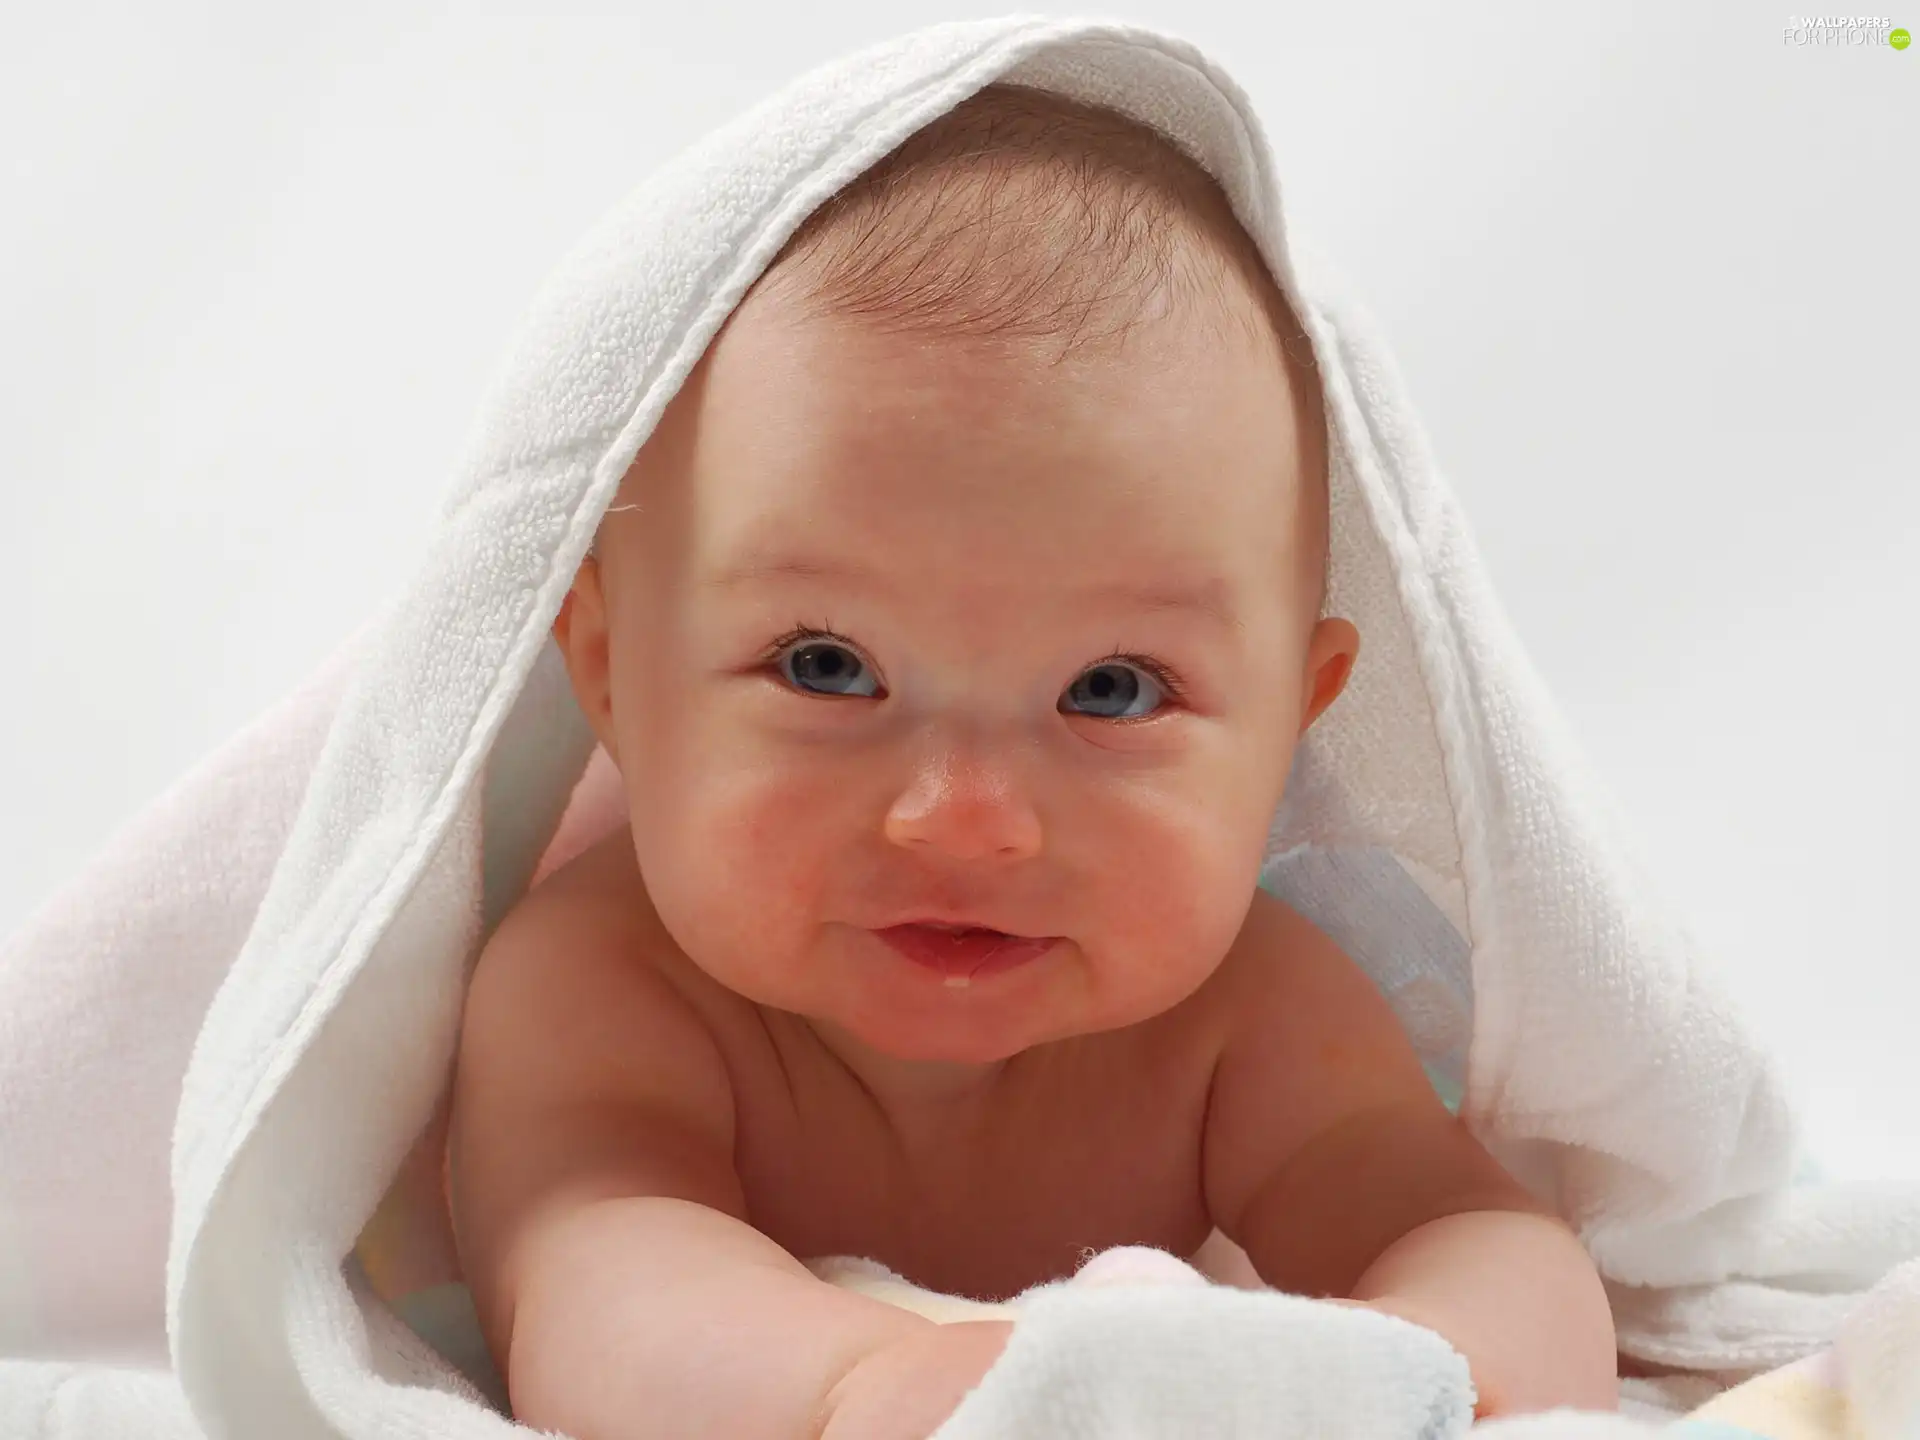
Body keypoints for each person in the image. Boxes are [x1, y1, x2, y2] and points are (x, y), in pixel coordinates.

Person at [445, 81, 1619, 1440]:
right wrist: (853, 1391)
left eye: (1111, 691)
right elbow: (594, 1281)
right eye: (829, 666)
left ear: (1293, 720)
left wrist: (1427, 1375)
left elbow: (1472, 1230)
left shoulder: (1250, 1013)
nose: (967, 822)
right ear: (608, 672)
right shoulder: (602, 988)